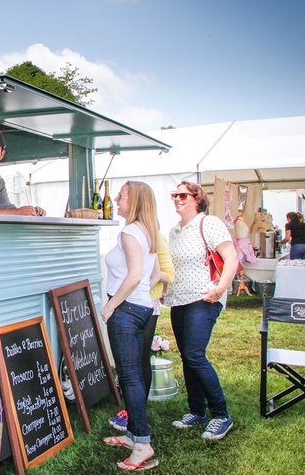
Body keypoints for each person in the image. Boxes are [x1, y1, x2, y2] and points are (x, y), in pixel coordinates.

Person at [163, 181, 237, 441]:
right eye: (174, 195)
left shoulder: (210, 223)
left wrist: (219, 290)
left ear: (197, 198)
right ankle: (197, 411)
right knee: (187, 357)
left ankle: (221, 414)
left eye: (182, 195)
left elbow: (232, 258)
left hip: (204, 297)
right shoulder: (174, 232)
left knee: (195, 355)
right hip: (178, 299)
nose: (177, 199)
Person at [100, 181, 162, 471]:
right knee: (135, 374)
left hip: (125, 310)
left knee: (130, 378)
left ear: (134, 200)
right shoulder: (147, 230)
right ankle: (132, 435)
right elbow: (156, 272)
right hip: (141, 309)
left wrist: (112, 305)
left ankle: (142, 444)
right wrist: (139, 301)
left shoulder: (129, 232)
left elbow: (136, 275)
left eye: (121, 196)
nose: (116, 199)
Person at [108, 230, 174, 434]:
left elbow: (168, 274)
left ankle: (136, 414)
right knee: (135, 363)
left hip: (141, 304)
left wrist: (142, 288)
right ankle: (135, 414)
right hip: (136, 303)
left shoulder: (154, 236)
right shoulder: (136, 234)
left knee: (140, 360)